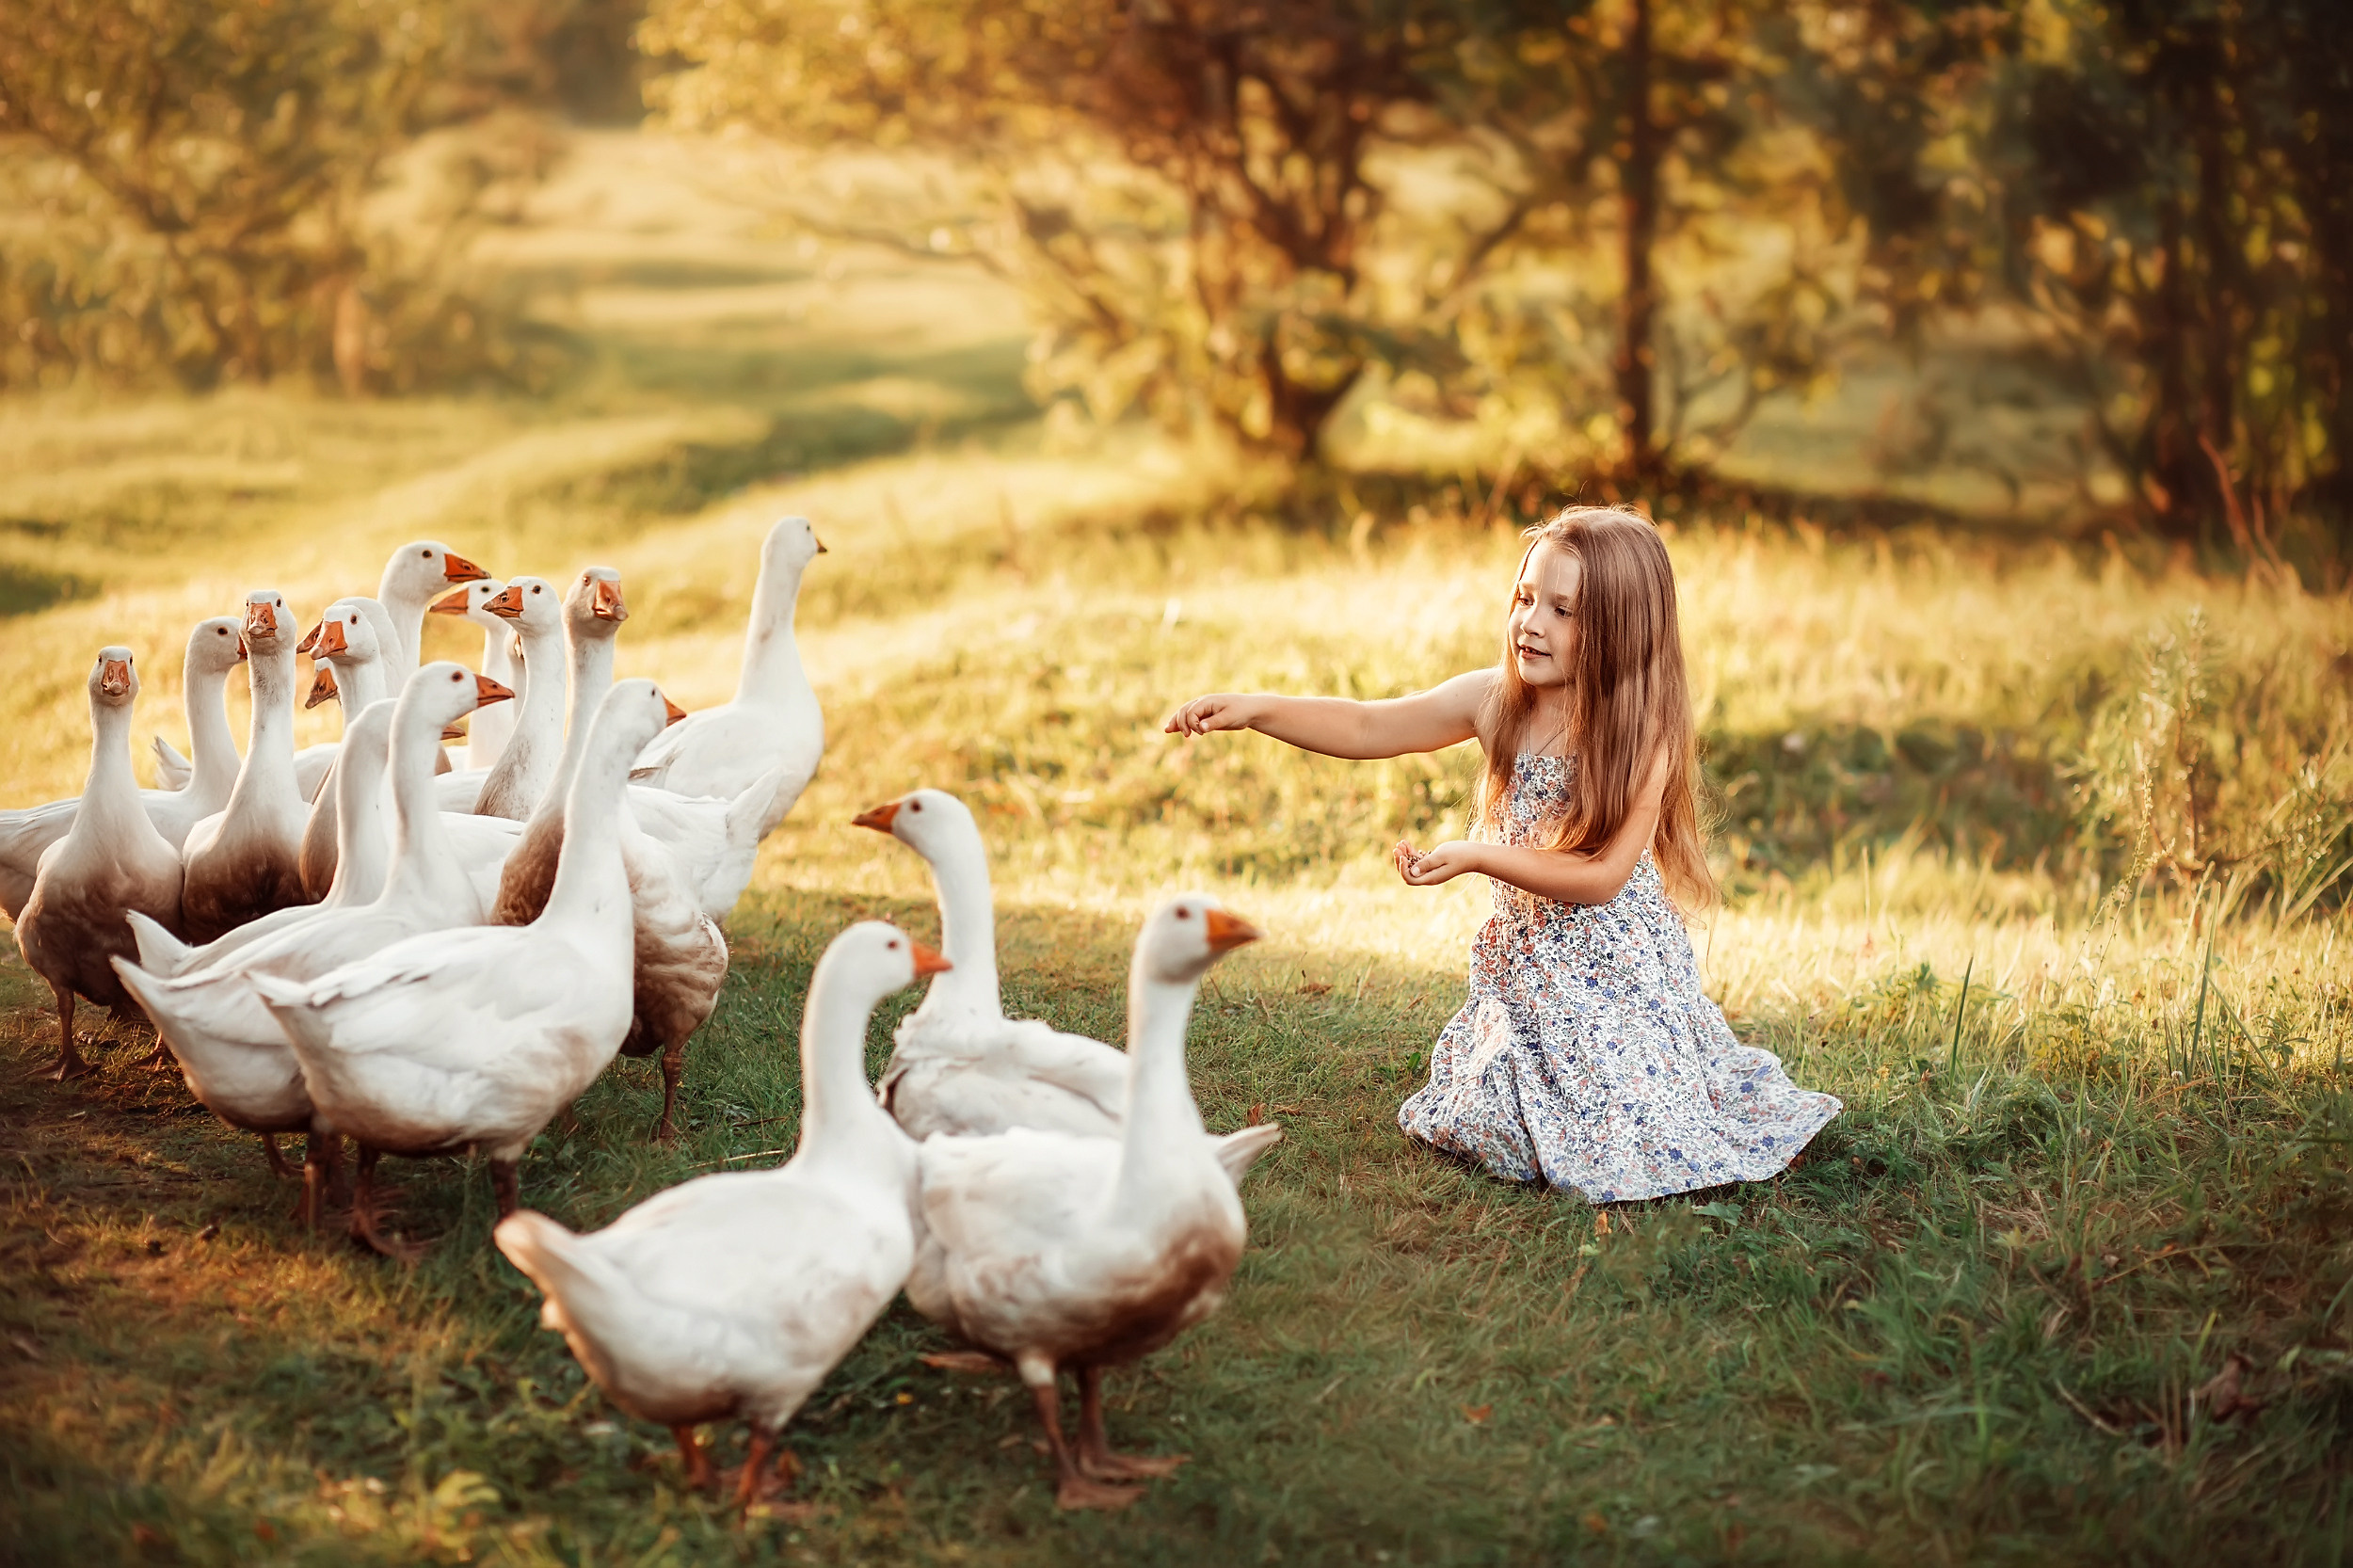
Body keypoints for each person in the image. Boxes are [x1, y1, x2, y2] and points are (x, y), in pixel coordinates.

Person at [1164, 505, 1839, 1202]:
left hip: (1619, 971)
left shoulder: (1641, 734)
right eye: (1525, 598)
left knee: (1624, 1122)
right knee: (1489, 1117)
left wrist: (1480, 855)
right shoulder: (1497, 702)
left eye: (1563, 610)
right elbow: (1370, 722)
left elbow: (1602, 876)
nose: (1532, 623)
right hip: (1531, 968)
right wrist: (1255, 709)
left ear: (1620, 632)